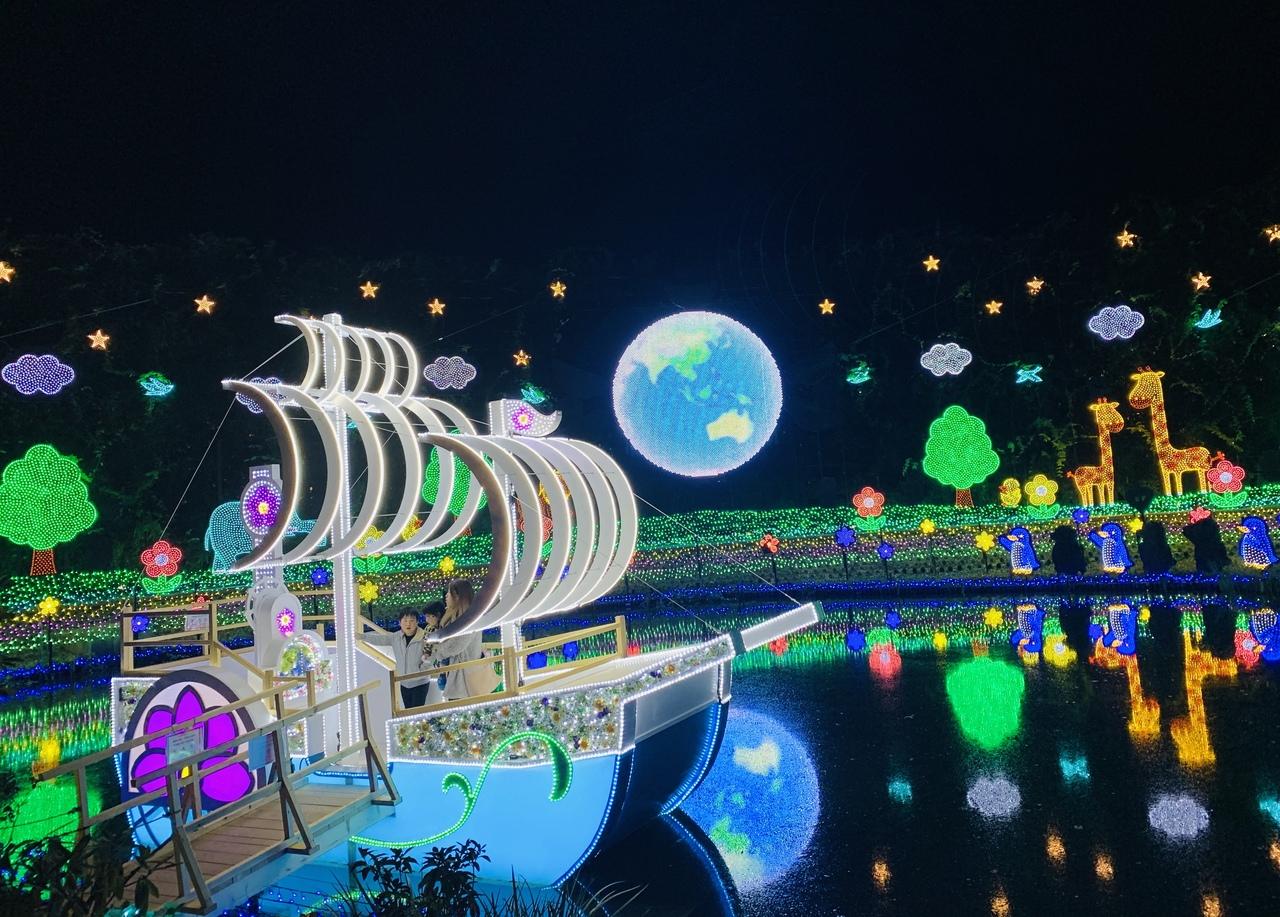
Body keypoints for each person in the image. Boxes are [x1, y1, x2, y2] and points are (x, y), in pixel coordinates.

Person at [364, 609, 431, 710]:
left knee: (417, 713)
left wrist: (421, 671)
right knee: (407, 712)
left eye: (412, 620)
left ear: (417, 622)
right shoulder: (396, 637)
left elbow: (431, 656)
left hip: (420, 682)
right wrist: (362, 637)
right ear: (400, 622)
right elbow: (380, 639)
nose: (408, 624)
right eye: (405, 620)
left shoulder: (425, 637)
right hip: (404, 682)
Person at [432, 580, 485, 701]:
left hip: (465, 678)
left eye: (449, 593)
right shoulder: (457, 616)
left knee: (462, 708)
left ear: (458, 596)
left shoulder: (469, 619)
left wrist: (438, 653)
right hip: (457, 675)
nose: (446, 596)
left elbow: (455, 646)